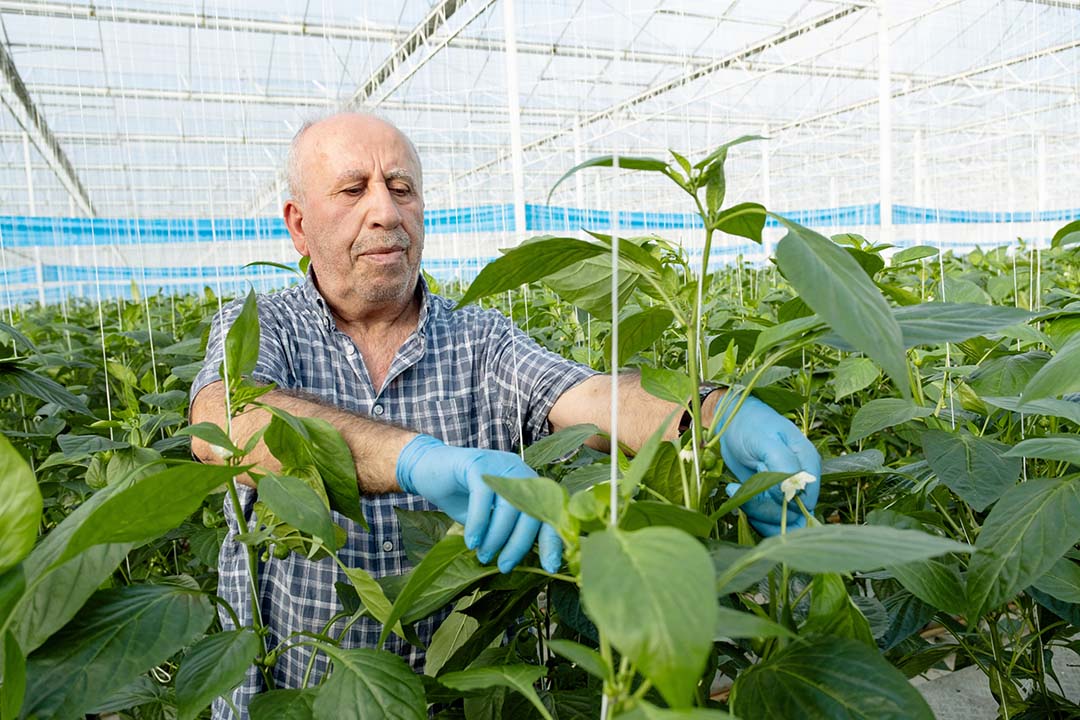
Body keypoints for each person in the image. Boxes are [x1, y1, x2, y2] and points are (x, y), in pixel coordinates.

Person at [189, 112, 820, 719]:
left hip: (463, 696)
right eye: (352, 190)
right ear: (298, 225)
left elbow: (587, 396)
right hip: (291, 697)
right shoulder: (261, 326)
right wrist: (416, 459)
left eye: (401, 188)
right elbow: (228, 426)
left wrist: (709, 414)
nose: (384, 210)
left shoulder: (479, 339)